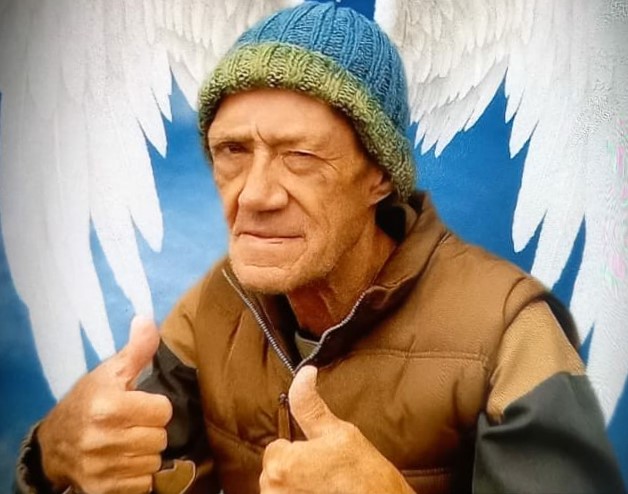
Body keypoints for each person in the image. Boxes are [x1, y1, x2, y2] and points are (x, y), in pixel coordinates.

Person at [15, 2, 626, 493]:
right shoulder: (214, 311)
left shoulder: (511, 334)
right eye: (232, 151)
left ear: (379, 176)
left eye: (301, 156)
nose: (255, 195)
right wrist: (50, 458)